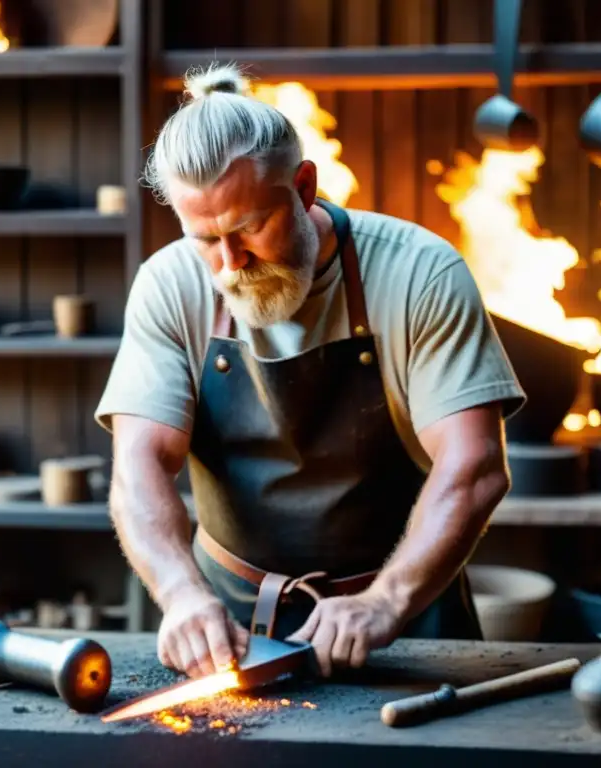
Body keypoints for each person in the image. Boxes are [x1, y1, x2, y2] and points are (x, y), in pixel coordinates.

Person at [95, 63, 526, 680]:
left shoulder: (419, 274)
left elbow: (476, 467)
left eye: (248, 228)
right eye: (203, 239)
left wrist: (387, 601)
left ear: (303, 188)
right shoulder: (170, 284)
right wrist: (181, 594)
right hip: (228, 627)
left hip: (399, 624)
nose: (228, 264)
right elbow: (139, 465)